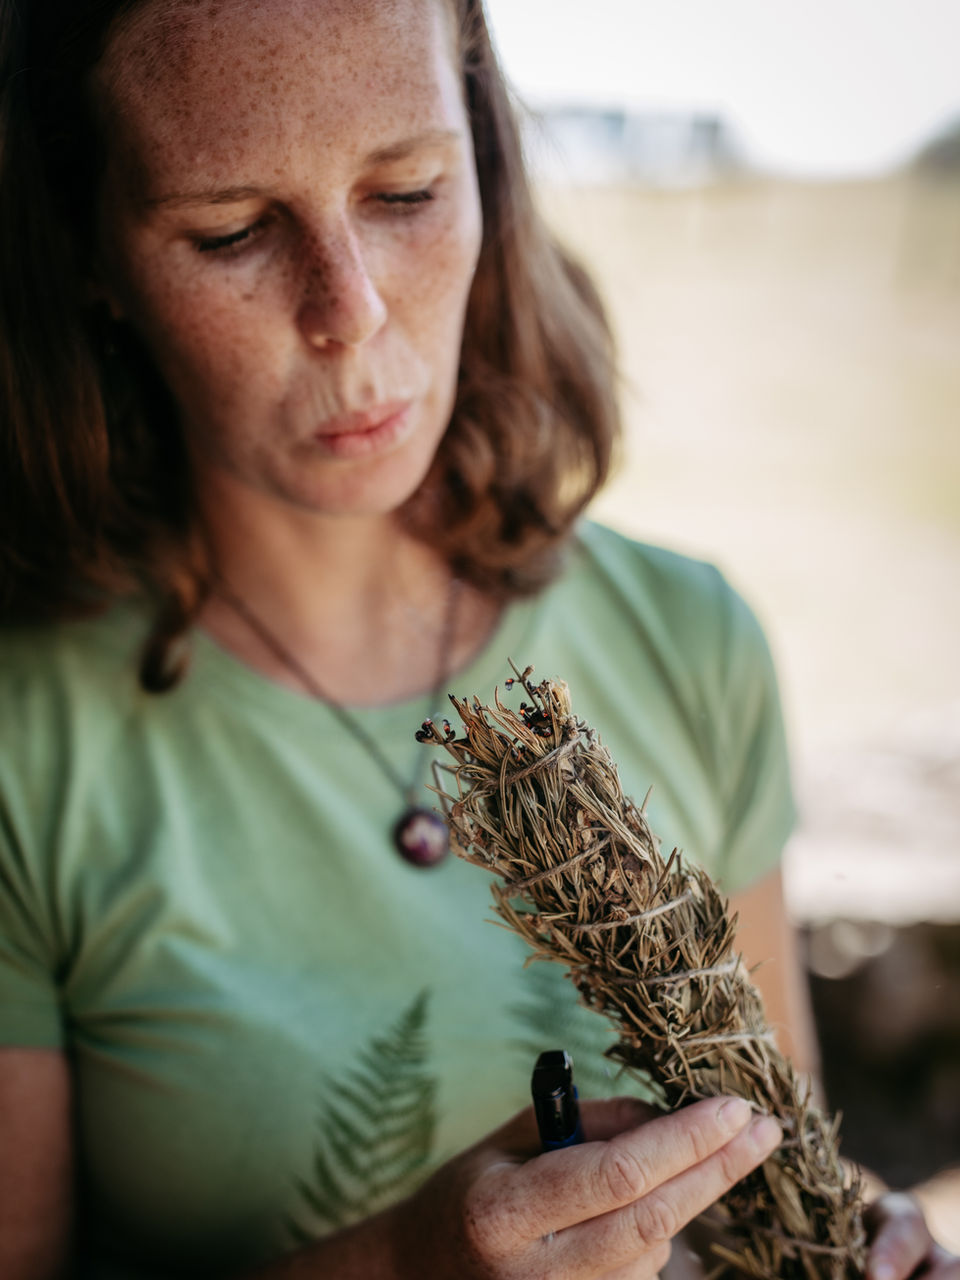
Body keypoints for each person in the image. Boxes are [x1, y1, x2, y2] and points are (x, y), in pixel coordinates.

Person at [0, 0, 955, 1277]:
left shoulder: (691, 638)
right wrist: (394, 1266)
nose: (350, 311)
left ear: (489, 167)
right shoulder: (28, 744)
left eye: (405, 191)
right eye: (230, 230)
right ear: (89, 254)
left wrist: (858, 1234)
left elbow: (769, 1144)